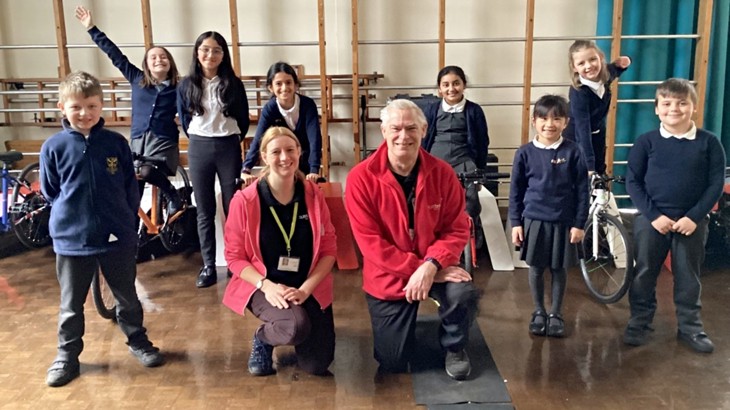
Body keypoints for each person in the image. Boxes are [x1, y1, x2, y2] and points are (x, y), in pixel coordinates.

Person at [40, 71, 164, 387]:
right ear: (62, 107)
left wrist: (124, 218)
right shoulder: (53, 147)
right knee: (71, 305)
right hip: (72, 240)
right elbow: (51, 190)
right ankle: (67, 357)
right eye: (77, 107)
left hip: (116, 237)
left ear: (101, 106)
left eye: (92, 106)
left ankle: (138, 341)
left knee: (128, 297)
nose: (85, 114)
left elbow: (129, 186)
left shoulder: (116, 143)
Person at [345, 99, 479, 381]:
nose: (403, 136)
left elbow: (457, 229)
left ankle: (455, 345)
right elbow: (371, 244)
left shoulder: (443, 173)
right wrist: (418, 269)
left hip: (436, 268)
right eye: (395, 128)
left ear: (424, 129)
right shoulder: (360, 178)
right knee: (392, 361)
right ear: (383, 131)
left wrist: (430, 267)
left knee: (463, 292)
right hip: (388, 276)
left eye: (410, 128)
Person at [222, 126, 337, 376]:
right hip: (264, 285)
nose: (285, 158)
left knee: (317, 365)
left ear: (299, 152)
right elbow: (233, 258)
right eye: (276, 152)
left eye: (290, 150)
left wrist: (306, 290)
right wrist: (267, 286)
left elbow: (329, 250)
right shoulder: (244, 201)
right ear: (264, 156)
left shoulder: (314, 196)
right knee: (295, 326)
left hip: (305, 285)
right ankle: (263, 339)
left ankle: (297, 323)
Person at [624, 78, 725, 353]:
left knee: (688, 275)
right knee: (644, 272)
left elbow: (715, 184)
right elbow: (633, 181)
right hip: (652, 220)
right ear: (657, 109)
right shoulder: (647, 142)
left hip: (691, 222)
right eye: (667, 104)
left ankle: (691, 328)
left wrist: (694, 216)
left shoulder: (709, 143)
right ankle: (640, 321)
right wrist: (654, 215)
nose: (674, 109)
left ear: (693, 107)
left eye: (682, 103)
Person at [75, 5, 183, 216]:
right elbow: (115, 55)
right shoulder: (137, 79)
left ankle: (173, 195)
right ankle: (134, 236)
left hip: (163, 144)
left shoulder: (180, 88)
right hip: (138, 142)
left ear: (170, 63)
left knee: (147, 171)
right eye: (153, 58)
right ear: (147, 65)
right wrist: (92, 28)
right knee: (133, 190)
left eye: (163, 57)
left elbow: (189, 113)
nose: (159, 60)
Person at [509, 94, 589, 338]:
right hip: (533, 220)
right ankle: (539, 311)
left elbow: (583, 191)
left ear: (566, 122)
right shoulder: (524, 153)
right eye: (543, 118)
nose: (549, 124)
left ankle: (556, 313)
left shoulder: (573, 151)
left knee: (558, 269)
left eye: (556, 118)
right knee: (535, 268)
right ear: (534, 121)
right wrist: (516, 223)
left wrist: (579, 223)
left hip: (563, 222)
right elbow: (516, 190)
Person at [177, 31, 250, 288]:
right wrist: (202, 138)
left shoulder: (233, 84)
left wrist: (228, 138)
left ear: (223, 55)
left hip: (228, 145)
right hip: (198, 146)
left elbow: (242, 118)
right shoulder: (186, 85)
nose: (210, 55)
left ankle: (236, 263)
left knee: (234, 206)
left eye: (217, 50)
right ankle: (208, 264)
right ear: (197, 53)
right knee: (204, 209)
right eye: (205, 49)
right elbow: (185, 121)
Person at [422, 65, 489, 244]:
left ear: (464, 85)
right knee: (433, 203)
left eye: (456, 83)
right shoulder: (431, 110)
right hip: (436, 161)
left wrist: (480, 172)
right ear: (439, 88)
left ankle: (472, 237)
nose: (451, 89)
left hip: (464, 160)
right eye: (446, 85)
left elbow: (482, 143)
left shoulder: (474, 110)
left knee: (471, 203)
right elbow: (424, 139)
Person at [241, 62, 322, 186]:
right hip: (281, 163)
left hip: (303, 162)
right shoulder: (269, 109)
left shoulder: (308, 105)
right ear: (270, 88)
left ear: (296, 85)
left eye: (288, 82)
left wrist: (314, 170)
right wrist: (246, 168)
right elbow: (258, 139)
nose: (284, 88)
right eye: (278, 84)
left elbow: (314, 139)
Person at [564, 40, 631, 175]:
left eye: (593, 59)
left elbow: (615, 69)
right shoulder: (579, 93)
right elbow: (582, 130)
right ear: (574, 68)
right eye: (581, 63)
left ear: (601, 58)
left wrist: (624, 63)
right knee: (580, 174)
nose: (588, 66)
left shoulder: (605, 76)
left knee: (600, 170)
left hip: (597, 134)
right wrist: (589, 165)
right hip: (576, 138)